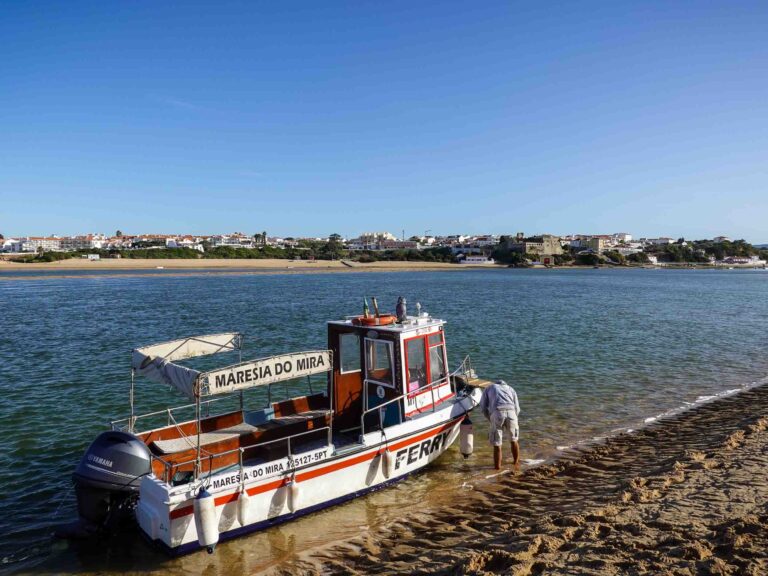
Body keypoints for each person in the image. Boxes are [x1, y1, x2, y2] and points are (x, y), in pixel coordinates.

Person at [479, 379, 521, 470]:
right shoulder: (511, 389)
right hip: (512, 413)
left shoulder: (489, 388)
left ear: (495, 383)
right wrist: (514, 418)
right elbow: (517, 408)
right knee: (514, 440)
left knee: (497, 444)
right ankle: (516, 463)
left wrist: (489, 418)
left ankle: (497, 468)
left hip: (497, 413)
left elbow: (482, 406)